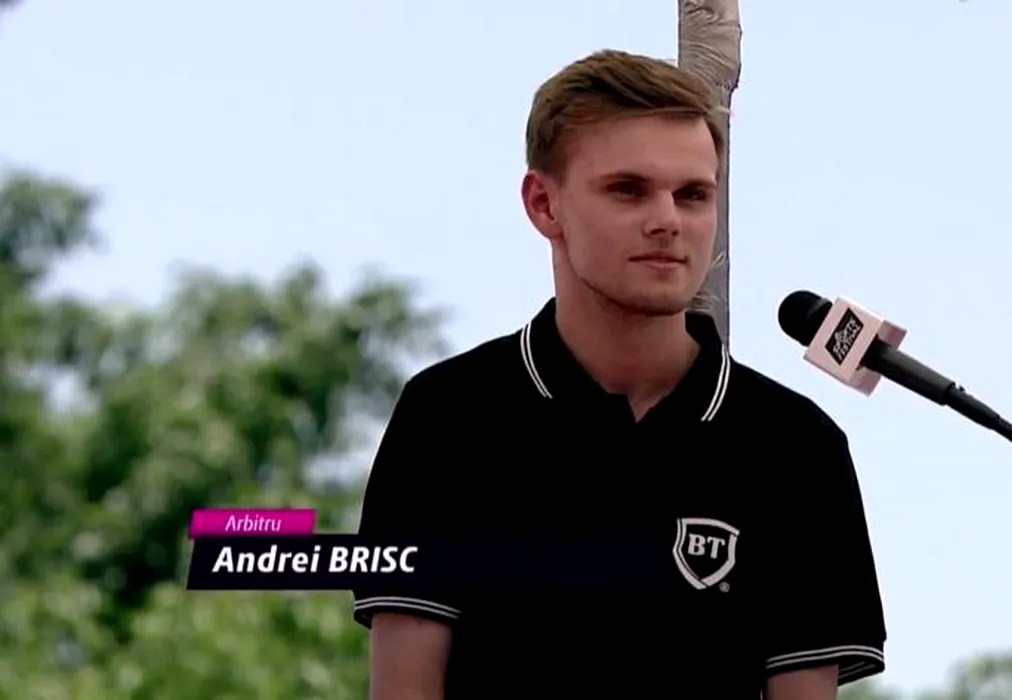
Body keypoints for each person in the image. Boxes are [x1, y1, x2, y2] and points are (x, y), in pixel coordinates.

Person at [352, 49, 887, 700]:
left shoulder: (796, 448)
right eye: (628, 190)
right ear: (544, 205)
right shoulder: (448, 418)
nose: (668, 221)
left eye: (693, 195)